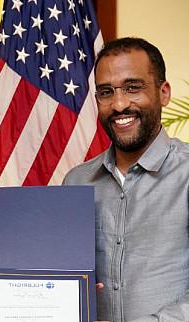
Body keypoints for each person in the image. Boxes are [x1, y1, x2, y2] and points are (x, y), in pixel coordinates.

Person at [63, 37, 189, 322]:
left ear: (164, 92)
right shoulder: (76, 182)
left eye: (133, 88)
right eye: (106, 92)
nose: (119, 105)